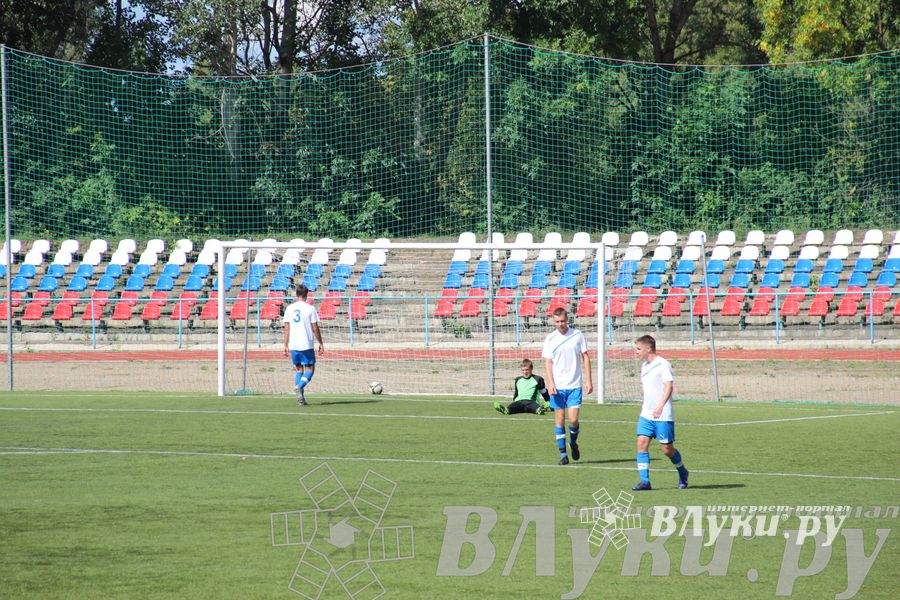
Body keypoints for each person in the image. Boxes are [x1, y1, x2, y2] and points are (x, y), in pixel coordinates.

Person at [632, 334, 689, 490]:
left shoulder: (663, 364)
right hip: (646, 414)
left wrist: (660, 406)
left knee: (667, 450)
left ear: (648, 348)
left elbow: (668, 386)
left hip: (662, 414)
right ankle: (645, 481)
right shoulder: (644, 366)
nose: (636, 352)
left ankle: (683, 472)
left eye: (638, 349)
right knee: (641, 444)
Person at [542, 307, 592, 465]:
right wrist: (550, 382)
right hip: (557, 387)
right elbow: (548, 362)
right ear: (553, 321)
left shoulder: (577, 335)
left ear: (567, 319)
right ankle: (563, 455)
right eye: (557, 322)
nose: (560, 324)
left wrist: (589, 380)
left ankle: (573, 442)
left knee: (573, 420)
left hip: (574, 385)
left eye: (562, 321)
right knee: (559, 419)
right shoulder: (550, 338)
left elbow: (585, 357)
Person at [283, 284, 325, 406]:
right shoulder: (310, 308)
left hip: (294, 345)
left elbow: (286, 328)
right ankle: (299, 386)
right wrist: (321, 342)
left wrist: (285, 345)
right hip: (306, 344)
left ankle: (301, 397)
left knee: (299, 369)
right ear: (307, 295)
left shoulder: (289, 308)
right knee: (310, 369)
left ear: (296, 294)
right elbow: (315, 328)